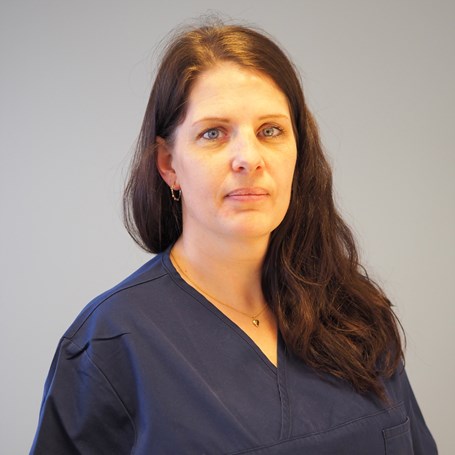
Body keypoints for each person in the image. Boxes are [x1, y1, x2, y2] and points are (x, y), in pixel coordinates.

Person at [30, 21, 437, 454]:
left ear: (298, 151)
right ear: (168, 164)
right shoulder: (109, 346)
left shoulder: (355, 314)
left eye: (270, 131)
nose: (249, 158)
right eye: (214, 133)